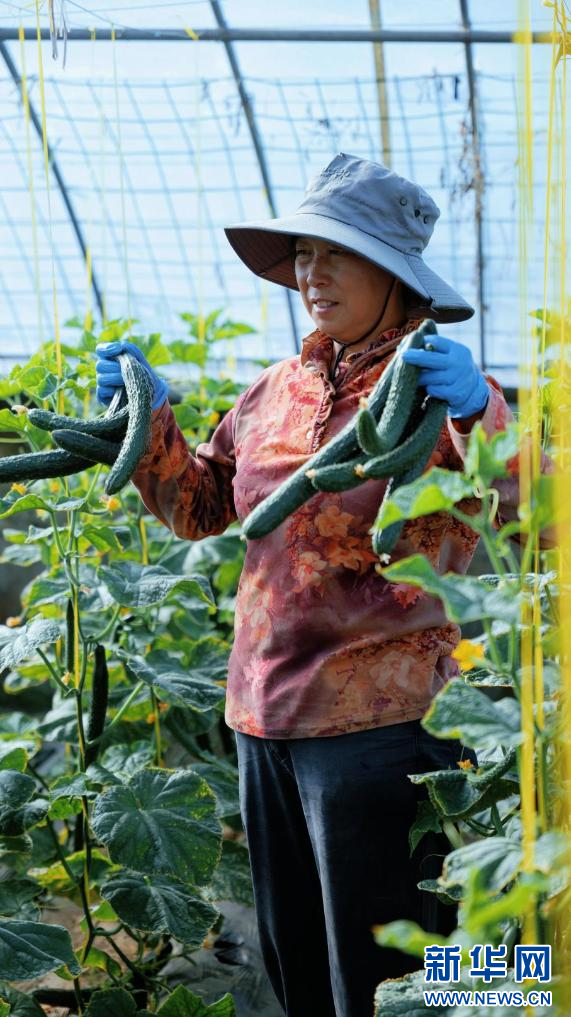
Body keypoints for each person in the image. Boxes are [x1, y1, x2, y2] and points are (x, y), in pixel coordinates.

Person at [94, 154, 552, 1017]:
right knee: (296, 959)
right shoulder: (274, 389)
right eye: (304, 252)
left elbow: (539, 517)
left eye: (338, 252)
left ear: (397, 274)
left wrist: (476, 412)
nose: (313, 272)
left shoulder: (434, 394)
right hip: (262, 717)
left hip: (380, 733)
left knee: (388, 977)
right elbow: (201, 506)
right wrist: (147, 417)